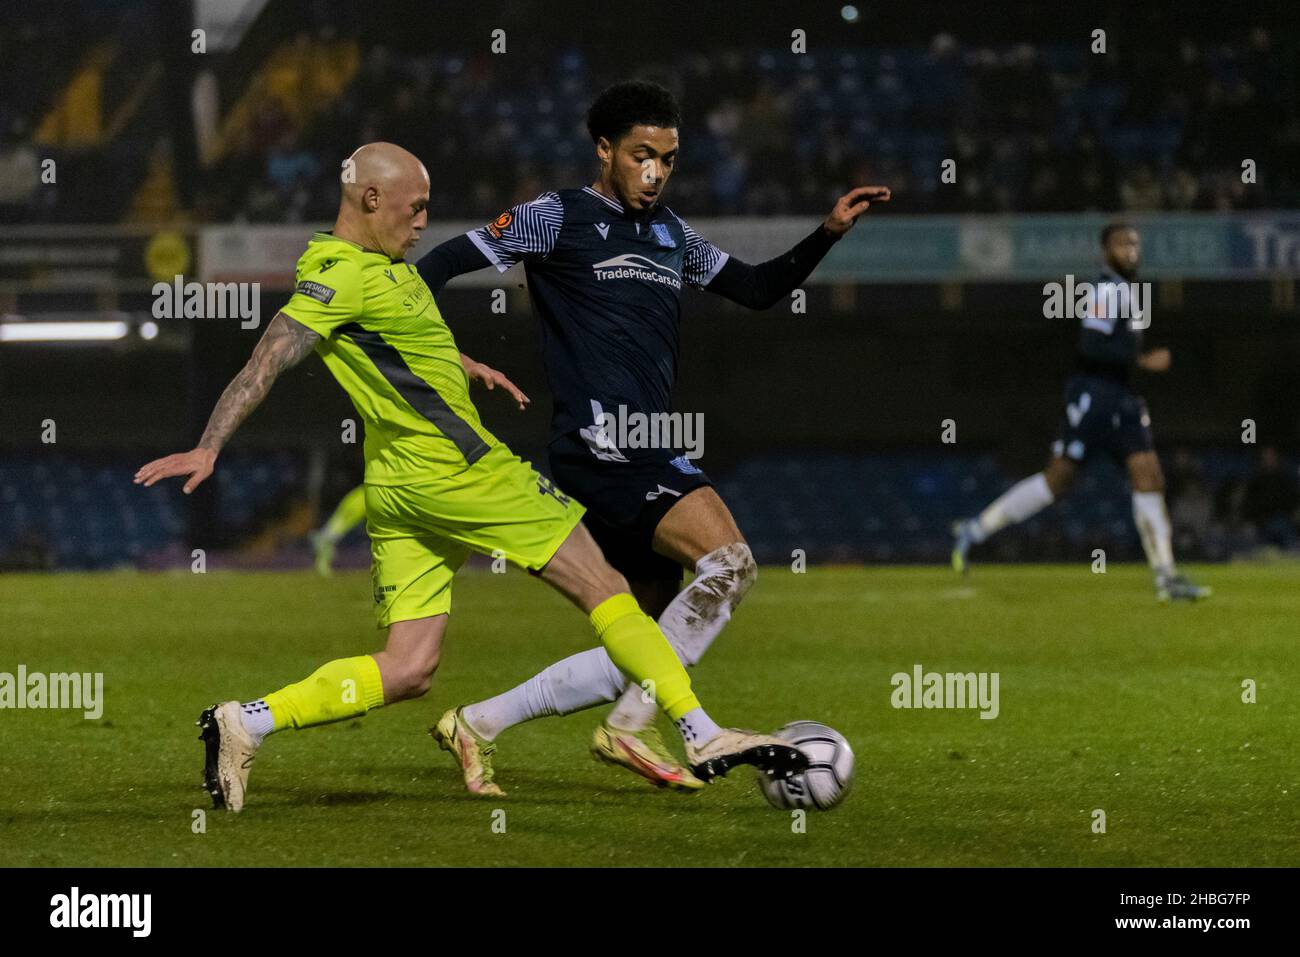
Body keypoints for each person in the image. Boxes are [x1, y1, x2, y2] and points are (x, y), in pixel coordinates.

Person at [135, 142, 806, 810]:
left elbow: (392, 337)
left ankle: (245, 721)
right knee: (605, 584)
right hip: (460, 469)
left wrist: (462, 363)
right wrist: (208, 446)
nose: (424, 222)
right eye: (416, 207)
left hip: (398, 488)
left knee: (407, 668)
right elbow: (267, 359)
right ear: (371, 199)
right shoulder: (342, 276)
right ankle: (700, 731)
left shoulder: (372, 268)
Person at [416, 80, 889, 793]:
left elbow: (757, 289)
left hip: (648, 441)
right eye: (642, 156)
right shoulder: (556, 216)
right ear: (604, 151)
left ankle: (477, 722)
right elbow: (438, 264)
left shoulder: (672, 234)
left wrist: (826, 233)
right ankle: (634, 728)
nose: (655, 172)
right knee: (730, 564)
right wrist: (447, 353)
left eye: (668, 159)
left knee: (645, 640)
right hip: (605, 446)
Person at [952, 223, 1211, 602]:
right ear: (1104, 252)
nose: (1131, 251)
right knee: (1057, 481)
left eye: (1135, 245)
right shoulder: (1106, 290)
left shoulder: (1128, 291)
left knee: (1148, 475)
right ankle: (975, 529)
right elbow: (1092, 344)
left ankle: (1166, 577)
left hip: (1120, 397)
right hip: (1095, 396)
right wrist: (1141, 360)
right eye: (1122, 245)